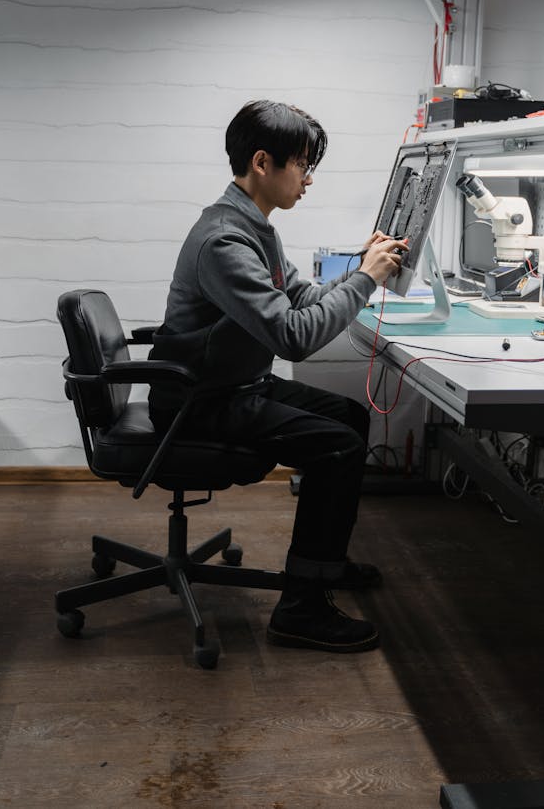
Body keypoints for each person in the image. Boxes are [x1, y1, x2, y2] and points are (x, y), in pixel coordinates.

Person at [149, 99, 408, 653]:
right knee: (336, 448)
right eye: (303, 165)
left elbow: (302, 297)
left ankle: (324, 564)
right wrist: (364, 281)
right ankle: (300, 609)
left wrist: (355, 267)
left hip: (232, 384)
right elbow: (293, 336)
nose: (309, 180)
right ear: (263, 163)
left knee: (349, 416)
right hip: (202, 400)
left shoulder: (254, 226)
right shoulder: (225, 241)